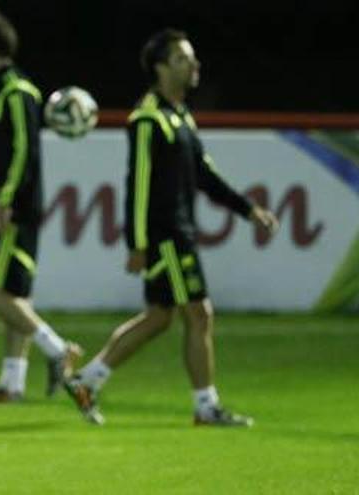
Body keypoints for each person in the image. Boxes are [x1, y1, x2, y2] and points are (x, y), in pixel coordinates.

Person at [64, 29, 279, 426]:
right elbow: (138, 183)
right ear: (161, 67)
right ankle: (206, 407)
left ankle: (87, 380)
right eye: (182, 59)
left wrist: (248, 210)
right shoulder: (149, 119)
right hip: (166, 235)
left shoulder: (180, 116)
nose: (193, 65)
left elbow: (204, 175)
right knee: (199, 315)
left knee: (160, 318)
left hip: (176, 232)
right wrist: (138, 242)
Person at [0, 14, 83, 402]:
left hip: (14, 210)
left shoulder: (17, 92)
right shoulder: (2, 91)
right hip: (14, 206)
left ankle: (57, 349)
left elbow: (23, 152)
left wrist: (3, 200)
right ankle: (12, 384)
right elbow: (1, 153)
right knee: (15, 295)